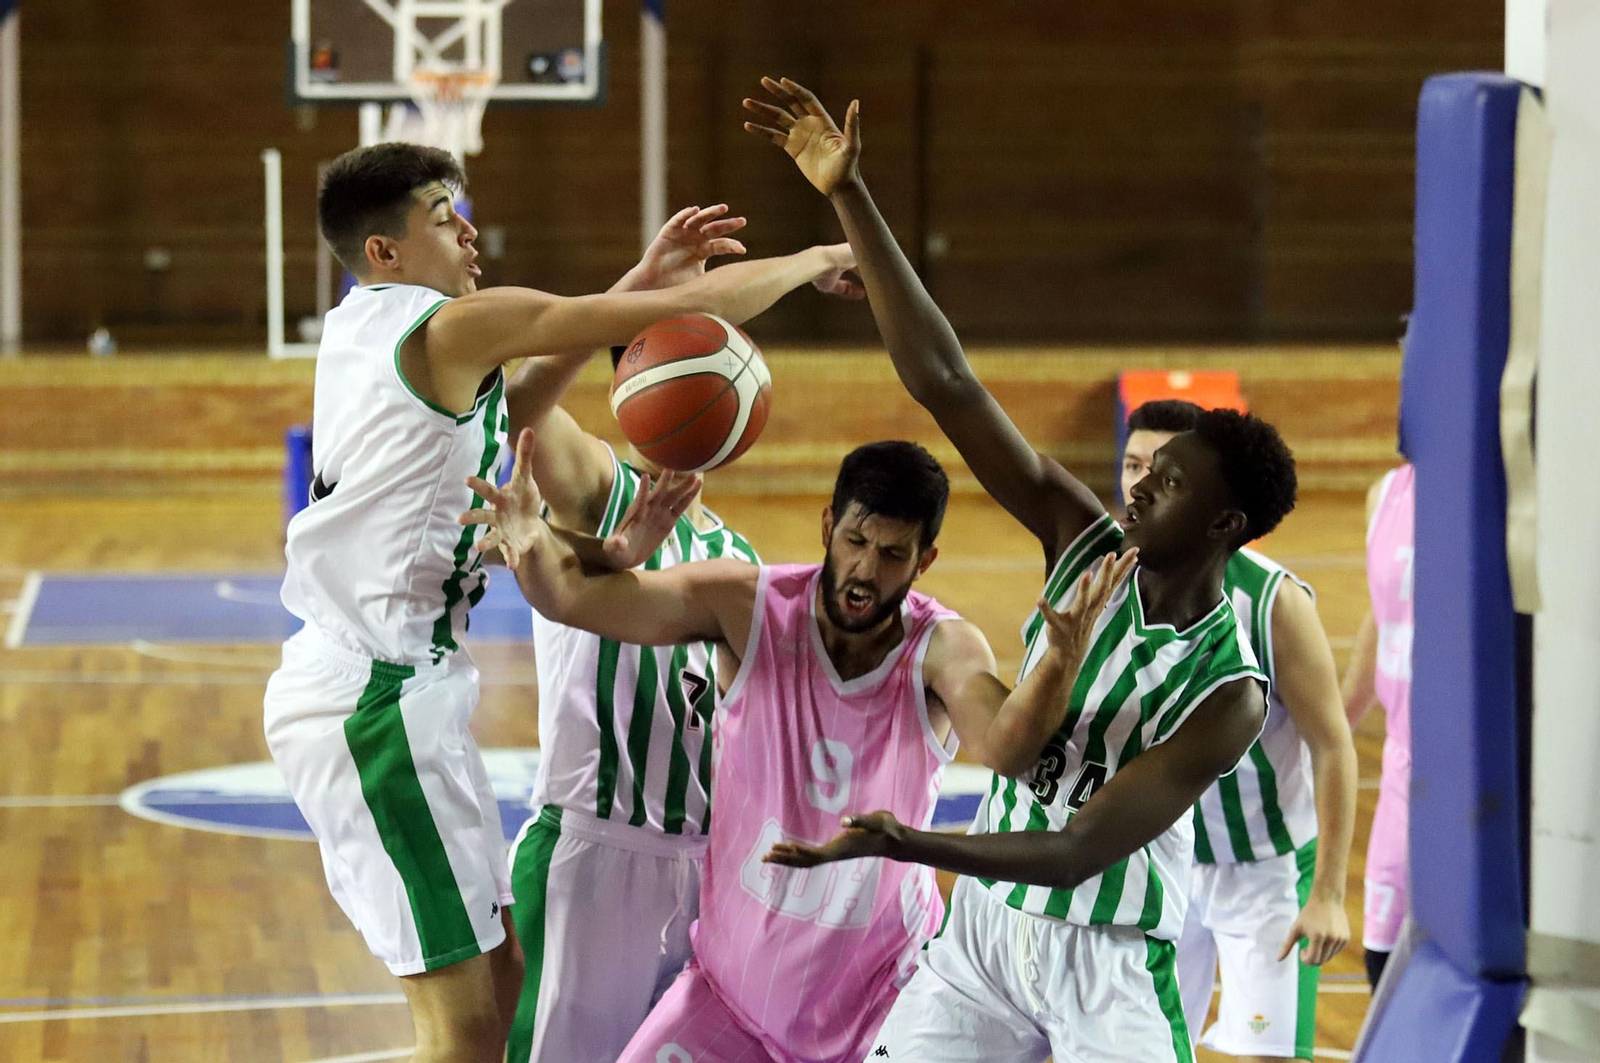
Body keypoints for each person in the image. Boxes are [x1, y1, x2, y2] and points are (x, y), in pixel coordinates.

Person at [261, 142, 857, 1063]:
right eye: (439, 213)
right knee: (461, 1035)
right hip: (372, 703)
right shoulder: (446, 327)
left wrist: (641, 278)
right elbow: (674, 316)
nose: (467, 229)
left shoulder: (369, 331)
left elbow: (523, 406)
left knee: (501, 989)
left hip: (402, 687)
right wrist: (816, 259)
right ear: (384, 251)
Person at [746, 77, 1294, 1062]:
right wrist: (848, 195)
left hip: (1111, 955)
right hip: (983, 943)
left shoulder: (1230, 693)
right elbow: (948, 383)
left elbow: (1080, 847)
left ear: (1222, 522)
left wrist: (907, 842)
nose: (1136, 489)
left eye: (1165, 485)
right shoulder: (1084, 538)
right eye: (1142, 469)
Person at [462, 432, 1137, 1063]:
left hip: (889, 1001)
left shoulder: (942, 648)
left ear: (924, 560)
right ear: (827, 527)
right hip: (733, 997)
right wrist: (532, 536)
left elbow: (1004, 747)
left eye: (894, 553)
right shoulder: (742, 602)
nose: (866, 570)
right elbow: (577, 599)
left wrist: (1059, 661)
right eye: (856, 540)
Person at [496, 204, 810, 1063]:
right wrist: (633, 288)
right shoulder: (600, 485)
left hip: (705, 861)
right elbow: (517, 407)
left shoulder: (738, 556)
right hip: (594, 854)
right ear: (631, 380)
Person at [1123, 400, 1356, 1061]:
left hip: (1265, 870)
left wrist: (1332, 895)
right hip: (1162, 862)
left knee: (1268, 1055)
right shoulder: (1113, 579)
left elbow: (1333, 743)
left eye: (1164, 471)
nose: (1141, 484)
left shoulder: (1276, 601)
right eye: (1133, 464)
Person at [1340, 463, 1414, 989]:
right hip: (1403, 774)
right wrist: (1336, 724)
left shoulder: (1515, 493)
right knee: (1383, 964)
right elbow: (1382, 613)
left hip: (1489, 784)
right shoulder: (1387, 494)